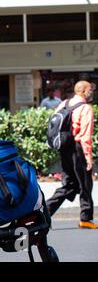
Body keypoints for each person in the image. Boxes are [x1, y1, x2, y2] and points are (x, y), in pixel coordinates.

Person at [46, 80, 97, 229]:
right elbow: (85, 136)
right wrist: (88, 158)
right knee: (85, 184)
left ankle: (45, 213)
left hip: (64, 147)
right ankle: (85, 218)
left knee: (69, 184)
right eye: (90, 90)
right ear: (82, 91)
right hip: (77, 148)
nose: (91, 92)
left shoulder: (64, 104)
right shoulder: (86, 108)